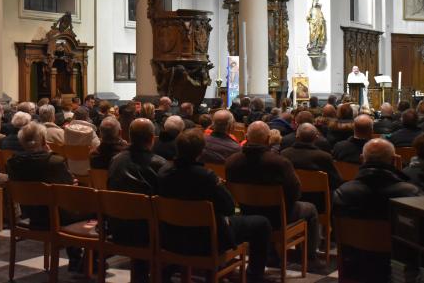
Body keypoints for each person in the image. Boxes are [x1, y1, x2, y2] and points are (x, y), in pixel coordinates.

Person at [157, 129, 272, 283]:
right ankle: (254, 275)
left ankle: (172, 267)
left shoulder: (163, 172)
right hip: (206, 238)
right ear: (201, 151)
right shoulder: (206, 176)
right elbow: (229, 208)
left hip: (170, 236)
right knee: (262, 223)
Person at [226, 121, 321, 267]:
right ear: (268, 139)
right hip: (278, 216)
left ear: (246, 136)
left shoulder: (232, 161)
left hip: (247, 213)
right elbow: (296, 192)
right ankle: (310, 258)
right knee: (311, 209)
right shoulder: (279, 162)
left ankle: (272, 253)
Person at [333, 138, 421, 283]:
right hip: (399, 267)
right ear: (394, 160)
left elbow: (337, 234)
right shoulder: (411, 194)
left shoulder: (342, 193)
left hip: (356, 264)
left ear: (362, 159)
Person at [6, 121, 83, 270]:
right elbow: (69, 190)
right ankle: (81, 260)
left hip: (31, 214)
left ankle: (77, 259)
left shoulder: (12, 163)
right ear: (43, 140)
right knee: (88, 211)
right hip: (56, 216)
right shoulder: (54, 161)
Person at [107, 118, 167, 282]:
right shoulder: (159, 164)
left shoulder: (116, 160)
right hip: (148, 231)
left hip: (117, 225)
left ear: (129, 136)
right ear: (152, 138)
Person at [281, 123, 342, 197]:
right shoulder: (325, 157)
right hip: (319, 200)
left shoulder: (284, 154)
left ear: (296, 137)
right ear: (316, 138)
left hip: (292, 198)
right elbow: (336, 181)